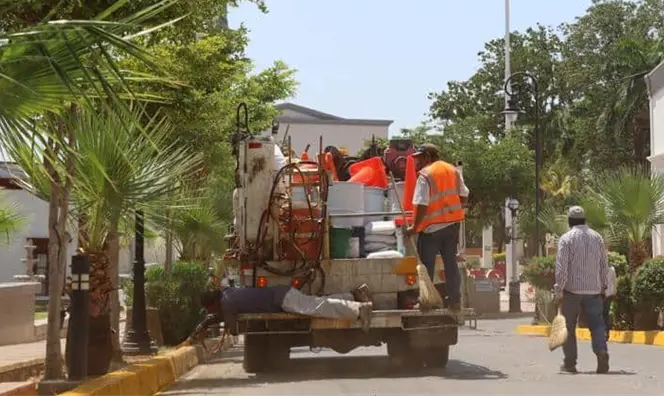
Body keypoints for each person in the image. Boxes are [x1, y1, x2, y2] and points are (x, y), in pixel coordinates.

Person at [189, 283, 374, 341]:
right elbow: (224, 315)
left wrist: (209, 322)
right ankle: (352, 296)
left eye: (208, 309)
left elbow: (234, 329)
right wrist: (209, 321)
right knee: (317, 303)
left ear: (212, 303)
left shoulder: (226, 303)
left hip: (282, 299)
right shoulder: (226, 294)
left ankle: (359, 309)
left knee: (317, 307)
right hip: (281, 295)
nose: (209, 311)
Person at [407, 143, 469, 311]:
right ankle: (455, 300)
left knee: (426, 267)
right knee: (450, 263)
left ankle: (427, 301)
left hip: (431, 229)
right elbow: (464, 195)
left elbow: (422, 204)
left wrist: (414, 227)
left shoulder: (425, 175)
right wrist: (450, 208)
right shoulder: (452, 170)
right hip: (452, 226)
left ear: (427, 156)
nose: (417, 162)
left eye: (419, 158)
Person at [553, 205, 610, 374]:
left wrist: (559, 290)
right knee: (597, 324)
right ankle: (601, 352)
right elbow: (603, 265)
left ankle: (570, 363)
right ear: (584, 219)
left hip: (572, 291)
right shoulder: (597, 238)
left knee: (569, 327)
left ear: (570, 221)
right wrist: (603, 287)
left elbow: (561, 267)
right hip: (594, 290)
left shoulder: (566, 239)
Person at [602, 262, 617, 342]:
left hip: (605, 295)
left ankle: (605, 332)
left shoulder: (611, 270)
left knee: (603, 314)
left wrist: (614, 292)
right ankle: (605, 332)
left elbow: (614, 282)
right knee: (604, 314)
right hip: (604, 294)